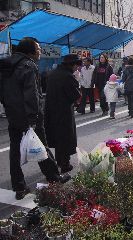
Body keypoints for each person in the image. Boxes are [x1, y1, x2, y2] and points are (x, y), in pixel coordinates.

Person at [2, 37, 70, 200]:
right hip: (29, 116)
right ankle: (53, 177)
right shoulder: (28, 66)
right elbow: (32, 94)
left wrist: (9, 108)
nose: (40, 52)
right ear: (30, 51)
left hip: (12, 115)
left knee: (15, 152)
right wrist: (33, 118)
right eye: (38, 49)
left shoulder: (6, 65)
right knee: (41, 145)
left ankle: (19, 187)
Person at [45, 54, 82, 175]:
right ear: (73, 64)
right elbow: (76, 96)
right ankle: (65, 164)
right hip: (64, 110)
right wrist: (77, 81)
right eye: (77, 66)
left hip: (51, 110)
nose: (77, 69)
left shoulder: (53, 73)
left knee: (57, 136)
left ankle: (59, 161)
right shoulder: (68, 76)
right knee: (65, 137)